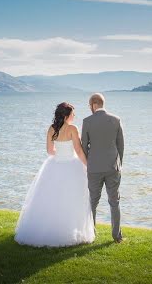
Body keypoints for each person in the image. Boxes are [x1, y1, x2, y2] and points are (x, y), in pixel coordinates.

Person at [15, 102, 95, 247]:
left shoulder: (52, 129)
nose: (74, 116)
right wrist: (88, 166)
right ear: (66, 116)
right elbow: (78, 150)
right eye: (72, 114)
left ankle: (48, 231)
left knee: (52, 199)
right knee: (72, 199)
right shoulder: (72, 128)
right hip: (72, 167)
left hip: (55, 165)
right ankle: (70, 231)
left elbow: (50, 151)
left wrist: (61, 154)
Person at [81, 93, 125, 243]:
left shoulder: (87, 121)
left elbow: (83, 147)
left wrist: (88, 164)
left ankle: (91, 234)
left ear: (93, 104)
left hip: (94, 168)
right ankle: (117, 236)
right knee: (114, 202)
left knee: (92, 202)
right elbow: (121, 145)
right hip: (113, 167)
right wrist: (120, 164)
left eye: (89, 105)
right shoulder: (116, 120)